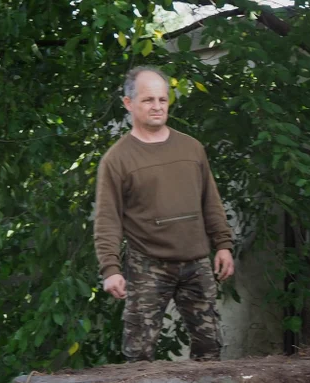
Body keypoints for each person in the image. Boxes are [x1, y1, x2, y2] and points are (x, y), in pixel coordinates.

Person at [94, 65, 235, 362]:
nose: (157, 106)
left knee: (210, 348)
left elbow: (211, 201)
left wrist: (223, 245)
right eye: (148, 100)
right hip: (148, 265)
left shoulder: (191, 148)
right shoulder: (117, 159)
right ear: (128, 104)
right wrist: (111, 269)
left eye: (162, 99)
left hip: (197, 262)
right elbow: (107, 219)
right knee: (139, 354)